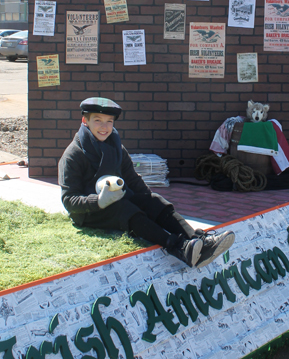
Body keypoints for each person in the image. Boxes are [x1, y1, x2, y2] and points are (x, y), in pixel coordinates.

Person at [58, 97, 235, 268]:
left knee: (154, 201)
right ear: (84, 121)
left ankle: (199, 240)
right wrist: (98, 201)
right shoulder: (73, 155)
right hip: (90, 212)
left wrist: (151, 202)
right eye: (98, 120)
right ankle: (179, 248)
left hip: (116, 199)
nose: (104, 127)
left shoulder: (117, 148)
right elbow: (69, 200)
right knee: (125, 208)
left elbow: (133, 181)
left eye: (109, 121)